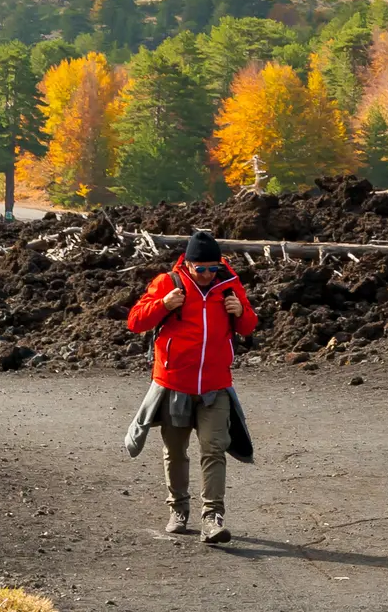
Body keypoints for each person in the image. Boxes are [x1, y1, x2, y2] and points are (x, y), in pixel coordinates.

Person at [122, 230, 258, 543]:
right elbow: (134, 321)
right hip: (174, 385)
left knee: (214, 449)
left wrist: (242, 313)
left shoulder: (229, 286)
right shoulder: (168, 283)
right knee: (175, 451)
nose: (209, 274)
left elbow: (249, 326)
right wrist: (164, 305)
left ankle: (212, 518)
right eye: (202, 269)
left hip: (215, 386)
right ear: (189, 264)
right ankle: (179, 510)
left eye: (214, 267)